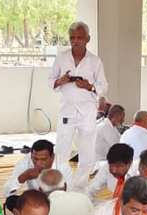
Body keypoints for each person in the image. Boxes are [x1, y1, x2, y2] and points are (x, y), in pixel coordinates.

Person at [50, 21, 109, 189]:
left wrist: (89, 86)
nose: (75, 41)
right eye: (72, 38)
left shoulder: (95, 61)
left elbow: (104, 86)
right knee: (62, 151)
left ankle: (79, 188)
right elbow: (50, 80)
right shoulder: (61, 58)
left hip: (87, 111)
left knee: (87, 153)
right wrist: (61, 80)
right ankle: (62, 186)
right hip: (67, 110)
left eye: (79, 37)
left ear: (87, 39)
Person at [4, 139, 74, 197]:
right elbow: (7, 191)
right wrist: (22, 177)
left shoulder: (62, 165)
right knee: (11, 201)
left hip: (58, 199)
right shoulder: (25, 162)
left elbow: (71, 191)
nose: (38, 163)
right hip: (36, 202)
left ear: (52, 157)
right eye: (35, 159)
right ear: (31, 155)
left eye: (43, 159)